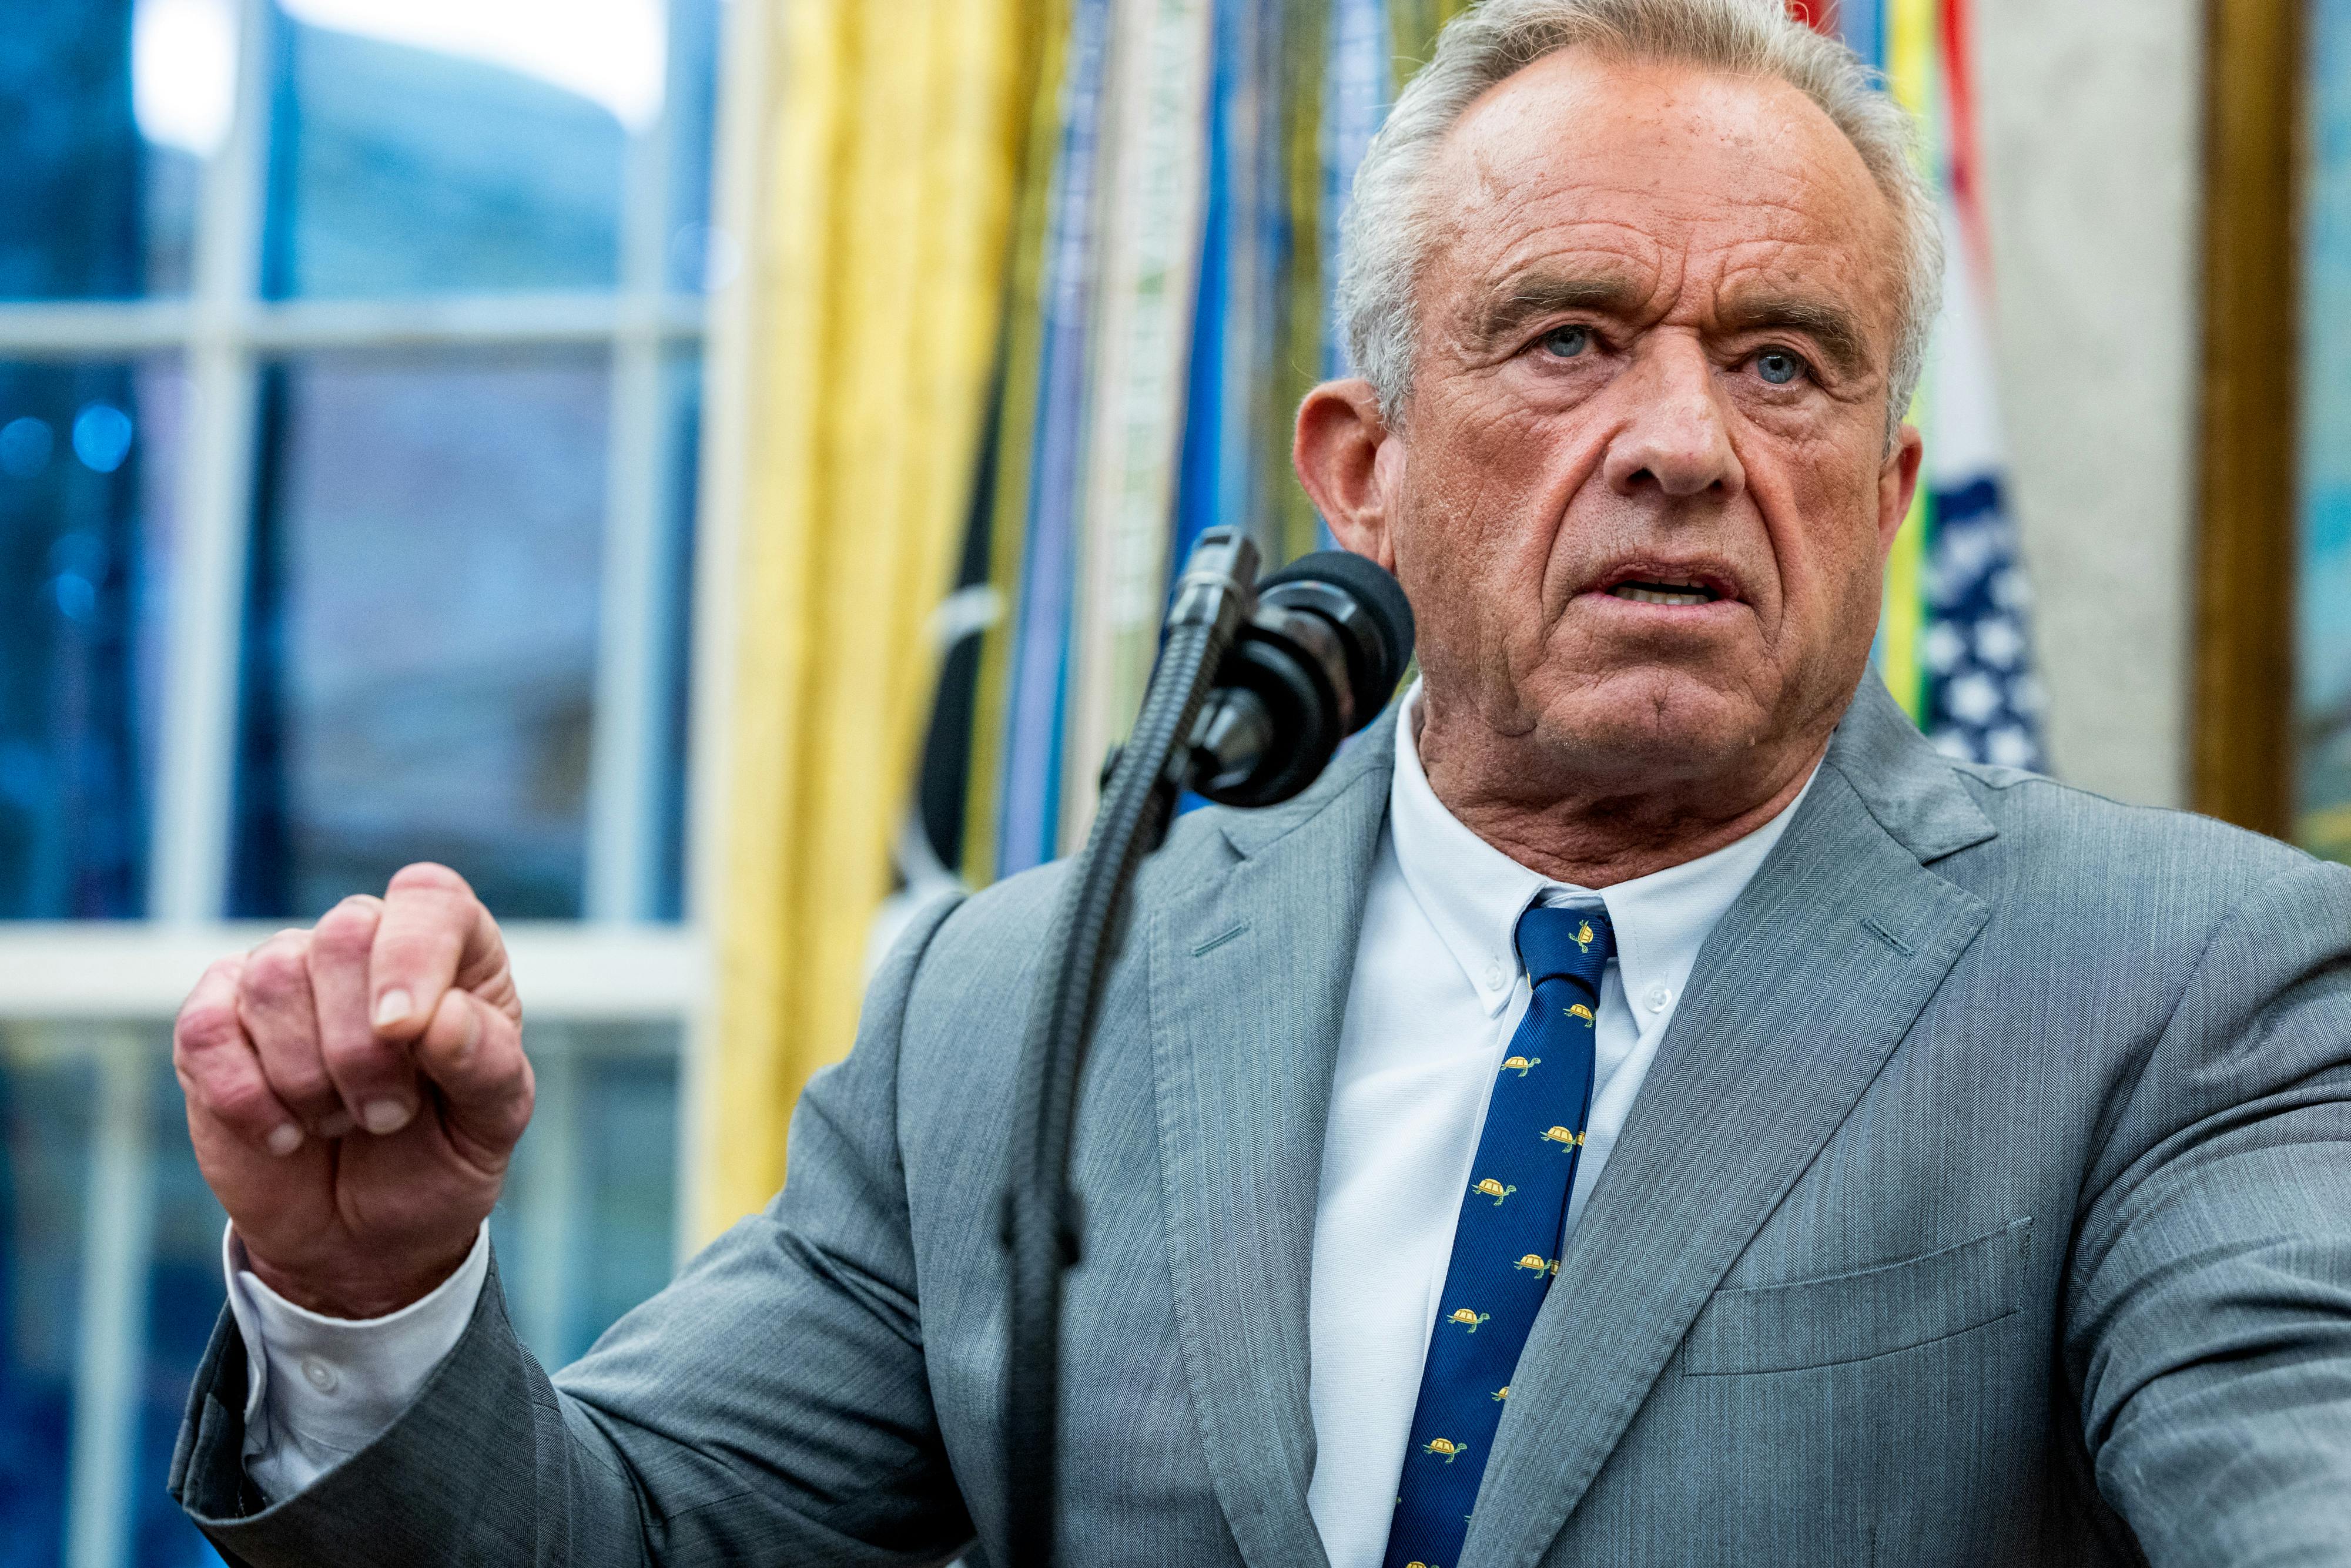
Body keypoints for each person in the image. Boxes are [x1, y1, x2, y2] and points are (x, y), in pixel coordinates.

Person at [169, 1, 2351, 1563]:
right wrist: (370, 1301)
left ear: (1883, 491)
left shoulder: (2183, 992)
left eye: (1781, 360)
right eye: (1571, 335)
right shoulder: (1026, 1001)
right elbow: (628, 1539)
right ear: (1365, 474)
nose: (1685, 442)